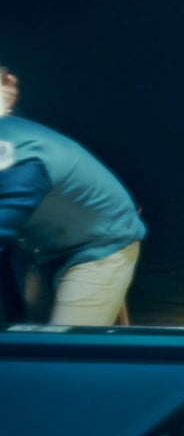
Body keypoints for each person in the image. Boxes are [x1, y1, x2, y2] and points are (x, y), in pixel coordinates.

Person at [0, 71, 146, 326]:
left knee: (64, 342)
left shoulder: (22, 160)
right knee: (28, 338)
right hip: (42, 248)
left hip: (98, 248)